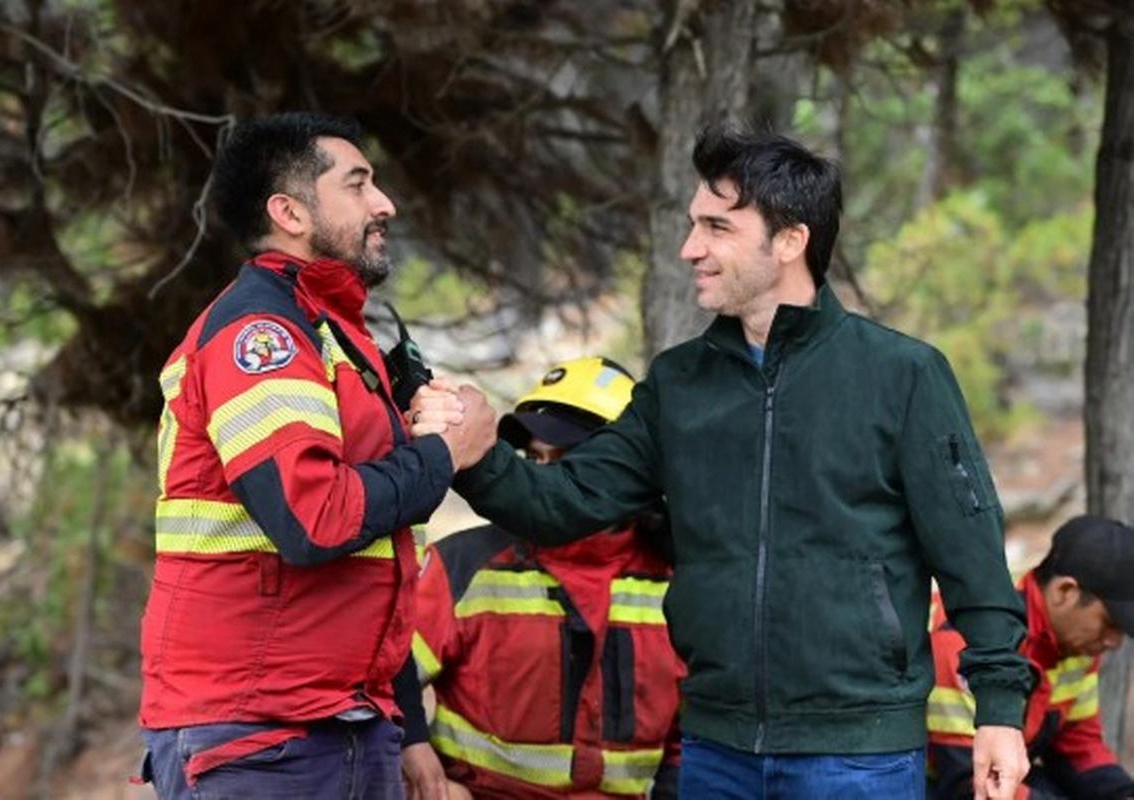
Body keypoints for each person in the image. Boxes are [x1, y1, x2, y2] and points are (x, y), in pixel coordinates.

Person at [416, 126, 1035, 799]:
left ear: (790, 240)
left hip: (857, 754)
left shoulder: (903, 375)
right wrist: (476, 457)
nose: (691, 248)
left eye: (717, 228)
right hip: (716, 752)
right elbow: (563, 503)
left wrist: (1000, 712)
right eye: (693, 225)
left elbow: (972, 557)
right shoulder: (679, 384)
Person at [137, 112, 496, 799]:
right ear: (290, 213)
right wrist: (445, 453)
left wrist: (407, 728)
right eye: (357, 184)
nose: (384, 203)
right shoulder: (261, 335)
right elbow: (314, 520)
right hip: (260, 736)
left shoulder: (330, 331)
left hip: (343, 720)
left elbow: (375, 559)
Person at [400, 357, 685, 800]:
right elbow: (384, 670)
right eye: (533, 457)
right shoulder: (464, 563)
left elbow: (691, 739)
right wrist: (412, 747)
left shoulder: (677, 579)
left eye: (566, 458)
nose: (540, 472)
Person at [928, 516, 1134, 799]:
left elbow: (1079, 748)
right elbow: (971, 781)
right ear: (1065, 592)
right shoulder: (964, 635)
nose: (1114, 641)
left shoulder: (1077, 647)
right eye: (1109, 623)